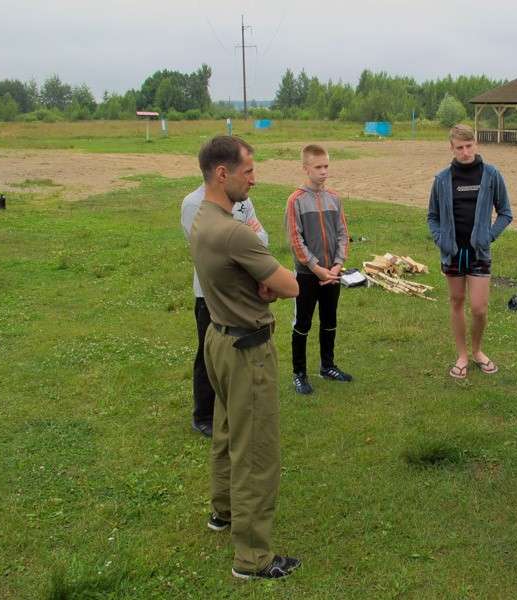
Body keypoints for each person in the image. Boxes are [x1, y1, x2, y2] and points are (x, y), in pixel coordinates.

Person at [189, 135, 301, 580]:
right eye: (248, 171)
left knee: (225, 432)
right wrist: (269, 281)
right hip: (245, 350)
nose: (254, 179)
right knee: (255, 450)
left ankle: (223, 512)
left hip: (216, 337)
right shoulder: (235, 232)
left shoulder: (202, 217)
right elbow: (291, 285)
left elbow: (252, 278)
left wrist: (261, 282)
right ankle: (252, 558)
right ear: (223, 173)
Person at [181, 185, 269, 437]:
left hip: (242, 290)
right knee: (208, 352)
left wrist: (242, 243)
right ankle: (204, 415)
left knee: (239, 348)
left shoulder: (242, 200)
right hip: (210, 294)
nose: (250, 179)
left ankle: (234, 405)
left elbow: (262, 238)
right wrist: (244, 240)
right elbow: (207, 249)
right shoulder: (193, 203)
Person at [426, 124, 513, 379]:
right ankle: (462, 355)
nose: (465, 152)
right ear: (451, 149)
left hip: (479, 253)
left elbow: (505, 212)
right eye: (459, 148)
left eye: (469, 146)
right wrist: (441, 239)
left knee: (478, 308)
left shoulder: (491, 175)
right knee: (456, 302)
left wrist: (489, 235)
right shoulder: (442, 179)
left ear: (476, 144)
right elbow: (432, 216)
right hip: (452, 252)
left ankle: (478, 351)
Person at [284, 144, 351, 395]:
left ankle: (328, 365)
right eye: (318, 167)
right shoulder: (296, 201)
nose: (324, 171)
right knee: (302, 323)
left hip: (332, 273)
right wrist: (316, 268)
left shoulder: (335, 198)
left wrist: (337, 264)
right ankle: (299, 373)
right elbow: (295, 239)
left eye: (326, 166)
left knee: (329, 320)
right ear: (305, 168)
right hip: (307, 275)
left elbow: (343, 233)